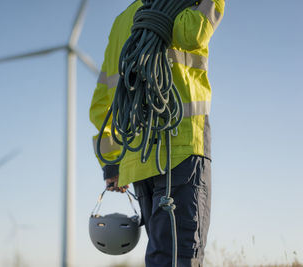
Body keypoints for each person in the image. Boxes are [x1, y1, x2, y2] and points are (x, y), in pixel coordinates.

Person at [89, 0, 225, 266]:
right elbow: (193, 34)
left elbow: (102, 104)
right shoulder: (186, 5)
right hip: (181, 150)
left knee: (164, 255)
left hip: (139, 163)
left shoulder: (122, 21)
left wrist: (112, 163)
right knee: (178, 257)